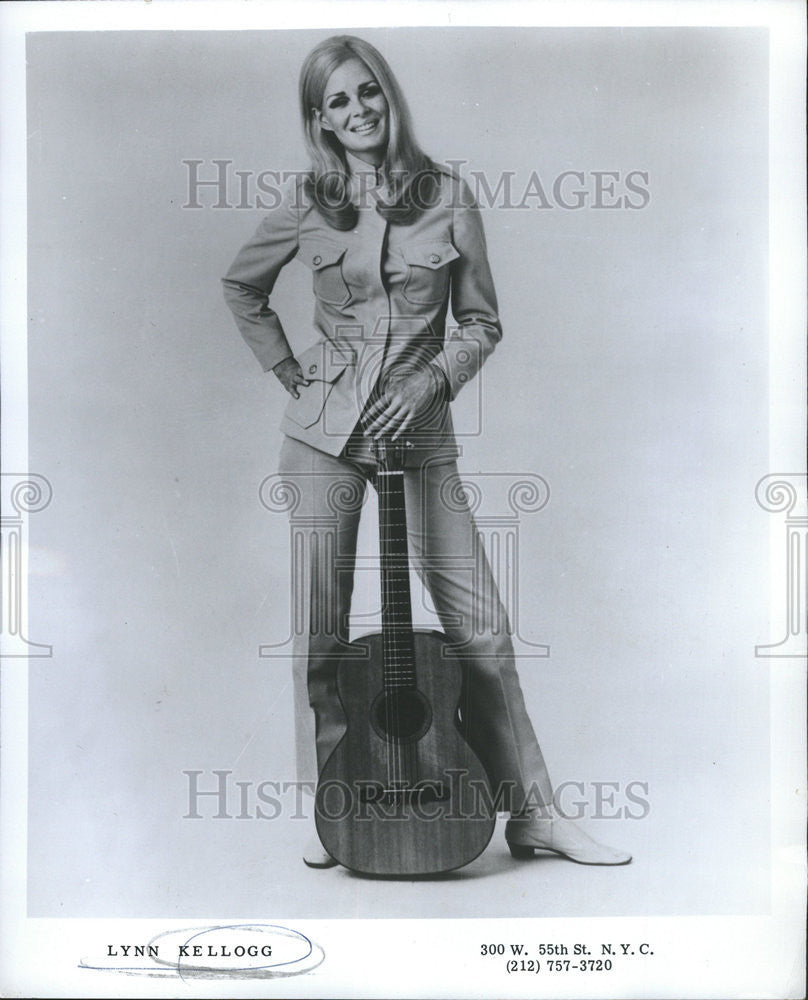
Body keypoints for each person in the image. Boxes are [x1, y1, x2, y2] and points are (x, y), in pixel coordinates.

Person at [222, 34, 631, 869]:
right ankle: (341, 811)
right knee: (321, 636)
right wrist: (295, 376)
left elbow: (481, 320)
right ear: (319, 121)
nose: (358, 111)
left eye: (367, 92)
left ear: (388, 95)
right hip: (322, 444)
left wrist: (431, 382)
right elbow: (241, 286)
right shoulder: (308, 203)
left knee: (481, 629)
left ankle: (532, 815)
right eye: (337, 101)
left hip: (421, 437)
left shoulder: (447, 194)